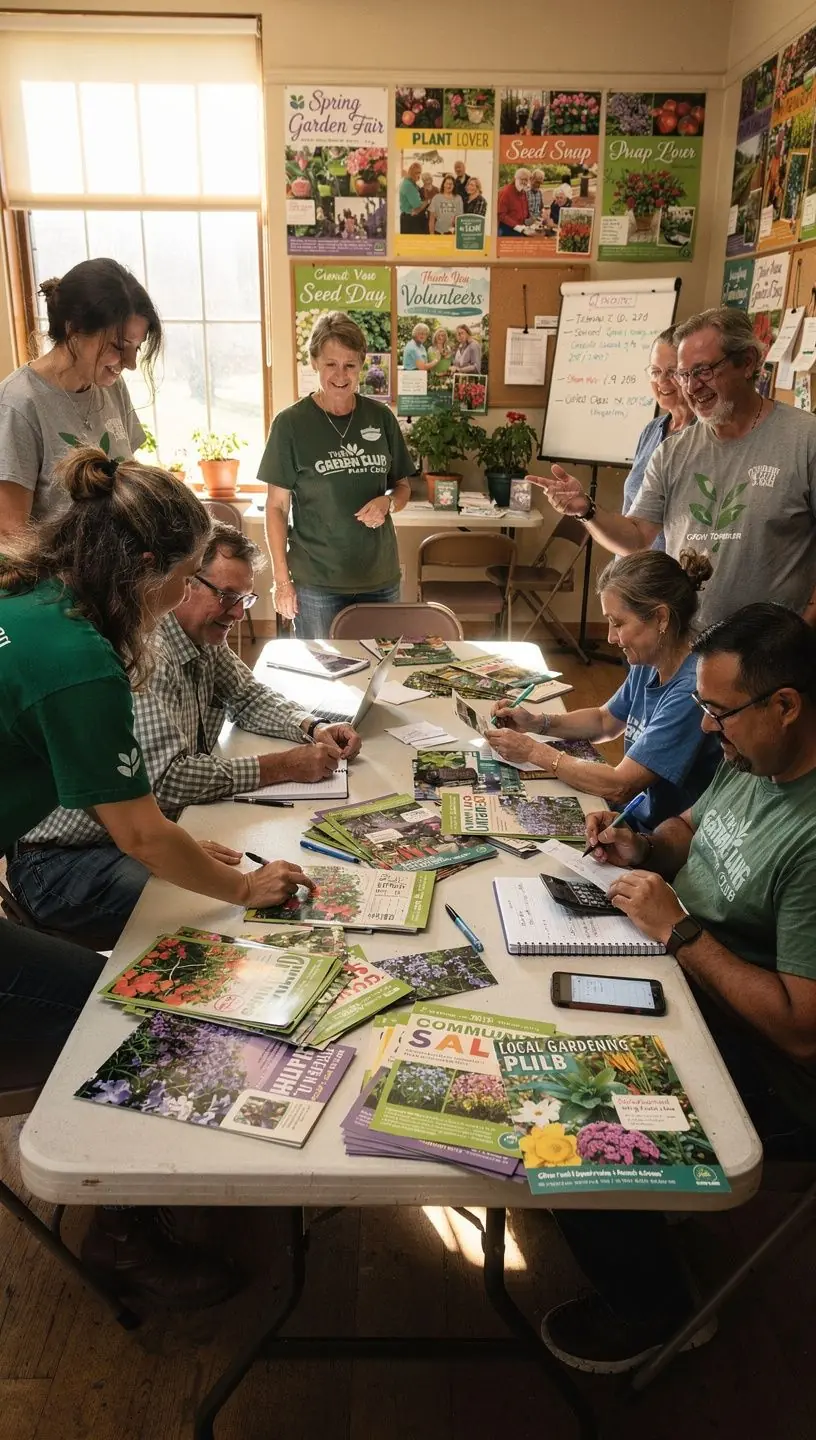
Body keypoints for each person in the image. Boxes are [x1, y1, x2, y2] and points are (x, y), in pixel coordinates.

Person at [0, 446, 312, 1306]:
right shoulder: (79, 656)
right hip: (50, 867)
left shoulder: (29, 596)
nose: (182, 602)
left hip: (40, 856)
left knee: (160, 950)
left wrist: (187, 855)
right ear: (141, 569)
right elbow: (142, 831)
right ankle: (122, 1237)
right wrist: (245, 887)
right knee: (119, 1018)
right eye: (181, 581)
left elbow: (139, 821)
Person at [543, 603, 816, 1373]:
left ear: (786, 705)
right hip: (693, 982)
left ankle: (655, 1312)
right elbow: (687, 831)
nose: (705, 730)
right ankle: (642, 1220)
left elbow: (801, 1031)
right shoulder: (753, 758)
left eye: (718, 712)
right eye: (700, 708)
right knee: (543, 1011)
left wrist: (679, 932)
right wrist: (640, 843)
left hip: (778, 1066)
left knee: (570, 1098)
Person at [9, 523, 362, 948]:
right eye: (227, 596)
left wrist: (312, 726)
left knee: (231, 881)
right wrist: (282, 766)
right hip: (61, 863)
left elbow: (247, 695)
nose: (238, 613)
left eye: (245, 598)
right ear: (183, 582)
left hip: (126, 838)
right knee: (226, 907)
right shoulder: (141, 653)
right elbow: (167, 781)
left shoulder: (202, 635)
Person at [529, 307, 816, 630]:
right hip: (688, 645)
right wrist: (586, 510)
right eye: (684, 374)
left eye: (704, 370)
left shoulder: (805, 439)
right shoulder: (673, 451)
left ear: (748, 362)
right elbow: (637, 538)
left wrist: (806, 625)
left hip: (772, 654)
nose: (691, 387)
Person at [490, 549, 719, 829]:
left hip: (655, 840)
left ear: (661, 618)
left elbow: (621, 786)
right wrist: (537, 723)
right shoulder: (651, 658)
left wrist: (533, 753)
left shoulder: (690, 689)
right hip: (627, 819)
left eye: (618, 623)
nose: (610, 637)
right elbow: (604, 721)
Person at [261, 312, 417, 638]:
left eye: (350, 364)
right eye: (331, 364)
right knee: (323, 681)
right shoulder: (291, 425)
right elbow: (276, 507)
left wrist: (388, 503)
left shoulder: (381, 418)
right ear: (315, 362)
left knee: (381, 674)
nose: (341, 375)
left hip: (380, 578)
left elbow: (402, 488)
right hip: (317, 583)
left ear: (362, 364)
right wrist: (282, 581)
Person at [0, 258, 161, 538]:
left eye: (137, 347)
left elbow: (129, 484)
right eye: (119, 346)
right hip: (55, 581)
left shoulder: (112, 387)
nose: (131, 363)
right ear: (73, 329)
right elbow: (11, 538)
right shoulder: (18, 404)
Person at [621, 327, 695, 550]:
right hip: (633, 570)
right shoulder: (652, 430)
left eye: (672, 372)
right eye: (655, 371)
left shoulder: (704, 437)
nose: (662, 381)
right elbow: (630, 511)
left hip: (672, 574)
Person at [497, 168, 531, 236]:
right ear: (516, 178)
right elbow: (501, 214)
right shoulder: (506, 192)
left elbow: (525, 212)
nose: (524, 182)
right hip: (507, 229)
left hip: (521, 228)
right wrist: (516, 226)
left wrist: (531, 220)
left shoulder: (523, 192)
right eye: (522, 179)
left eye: (526, 180)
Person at [399, 161, 430, 234]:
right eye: (416, 173)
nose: (419, 175)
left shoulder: (412, 183)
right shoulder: (408, 185)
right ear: (411, 173)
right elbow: (417, 206)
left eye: (420, 172)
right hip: (411, 220)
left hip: (411, 219)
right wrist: (427, 201)